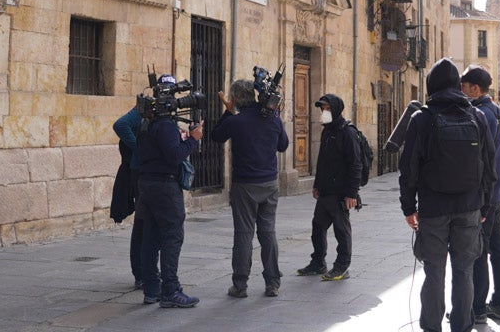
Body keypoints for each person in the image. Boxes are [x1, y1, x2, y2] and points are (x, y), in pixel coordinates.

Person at [400, 58, 495, 332]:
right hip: (469, 207)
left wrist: (408, 207)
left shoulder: (422, 119)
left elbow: (408, 169)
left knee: (434, 273)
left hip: (433, 209)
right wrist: (485, 206)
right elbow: (490, 167)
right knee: (464, 272)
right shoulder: (477, 116)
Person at [211, 79, 290, 298]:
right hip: (269, 183)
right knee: (268, 233)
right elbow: (283, 145)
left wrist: (228, 113)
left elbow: (216, 136)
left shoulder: (237, 121)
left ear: (234, 98)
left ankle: (240, 284)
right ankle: (272, 282)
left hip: (245, 185)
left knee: (244, 234)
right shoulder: (272, 118)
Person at [136, 74, 203, 308]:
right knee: (172, 237)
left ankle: (151, 290)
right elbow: (174, 156)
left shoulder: (149, 122)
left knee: (151, 236)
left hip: (147, 184)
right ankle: (170, 291)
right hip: (164, 186)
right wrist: (193, 139)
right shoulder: (165, 125)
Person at [460, 66, 500, 322]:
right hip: (497, 191)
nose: (462, 92)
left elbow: (480, 158)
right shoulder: (496, 111)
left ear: (475, 89)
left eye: (464, 87)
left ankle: (478, 307)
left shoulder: (480, 113)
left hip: (486, 195)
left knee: (479, 250)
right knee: (497, 248)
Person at [296, 93, 362, 281]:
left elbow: (355, 164)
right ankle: (318, 263)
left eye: (327, 108)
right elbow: (323, 161)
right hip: (325, 191)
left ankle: (342, 267)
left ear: (336, 109)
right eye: (322, 109)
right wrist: (317, 185)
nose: (324, 112)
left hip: (340, 192)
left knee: (342, 231)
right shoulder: (327, 131)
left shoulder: (347, 132)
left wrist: (352, 194)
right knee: (318, 227)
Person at [111, 105, 146, 288]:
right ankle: (140, 274)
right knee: (142, 225)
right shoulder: (143, 108)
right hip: (140, 176)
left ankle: (148, 272)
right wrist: (139, 148)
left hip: (151, 176)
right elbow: (120, 125)